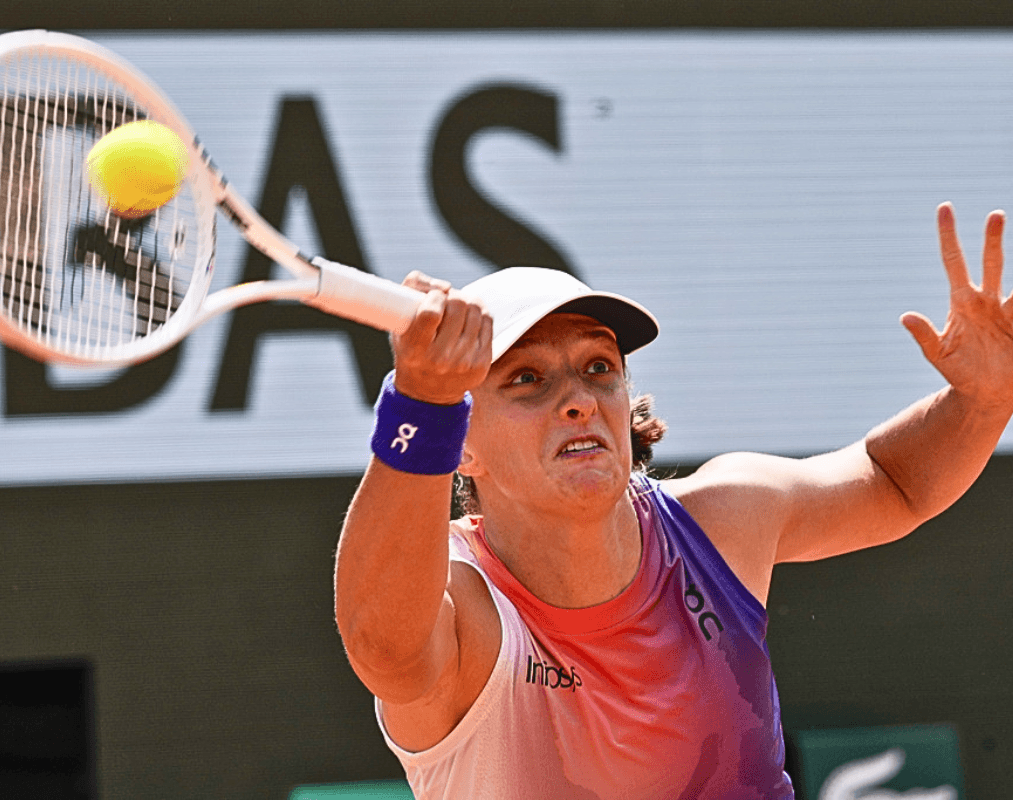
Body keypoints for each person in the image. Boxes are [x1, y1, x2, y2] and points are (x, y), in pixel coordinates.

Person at [333, 202, 1013, 799]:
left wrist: (981, 403)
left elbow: (894, 483)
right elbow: (383, 650)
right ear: (462, 442)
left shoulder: (722, 520)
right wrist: (420, 404)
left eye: (598, 367)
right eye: (527, 378)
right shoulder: (464, 604)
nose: (578, 399)